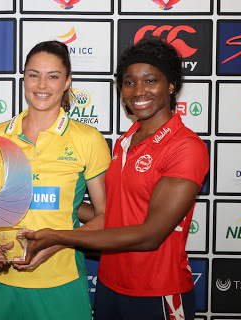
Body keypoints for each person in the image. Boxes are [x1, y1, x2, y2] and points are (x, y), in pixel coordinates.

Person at [20, 37, 210, 319]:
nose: (138, 90)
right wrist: (44, 195)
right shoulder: (125, 141)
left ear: (171, 85)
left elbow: (150, 235)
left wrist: (58, 237)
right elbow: (114, 213)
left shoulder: (186, 147)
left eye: (150, 80)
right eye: (129, 82)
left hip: (157, 292)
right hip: (110, 287)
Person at [0, 40, 111, 320]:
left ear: (67, 82)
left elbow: (106, 217)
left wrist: (57, 242)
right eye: (33, 74)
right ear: (24, 77)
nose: (42, 84)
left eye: (53, 76)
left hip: (62, 281)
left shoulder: (88, 139)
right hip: (4, 282)